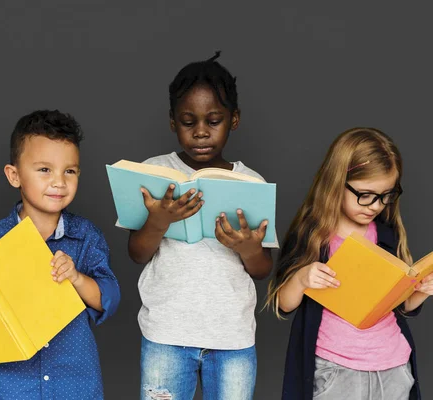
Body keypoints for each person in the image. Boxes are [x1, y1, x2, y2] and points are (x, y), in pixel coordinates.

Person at [0, 109, 120, 399]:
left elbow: (108, 299)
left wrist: (75, 277)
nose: (59, 181)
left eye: (69, 171)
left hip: (75, 383)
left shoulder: (86, 236)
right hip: (13, 384)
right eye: (45, 169)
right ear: (14, 175)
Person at [128, 51, 276, 400]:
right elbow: (136, 253)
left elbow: (262, 270)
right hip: (166, 333)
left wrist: (248, 248)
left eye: (213, 120)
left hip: (232, 338)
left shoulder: (251, 183)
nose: (200, 133)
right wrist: (158, 220)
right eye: (187, 121)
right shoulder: (154, 172)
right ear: (172, 121)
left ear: (234, 119)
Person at [267, 127, 432, 399]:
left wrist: (420, 292)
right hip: (335, 367)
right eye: (365, 194)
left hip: (393, 364)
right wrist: (301, 279)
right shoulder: (313, 235)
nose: (376, 206)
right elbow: (283, 304)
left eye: (386, 195)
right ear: (337, 181)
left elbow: (399, 306)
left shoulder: (387, 233)